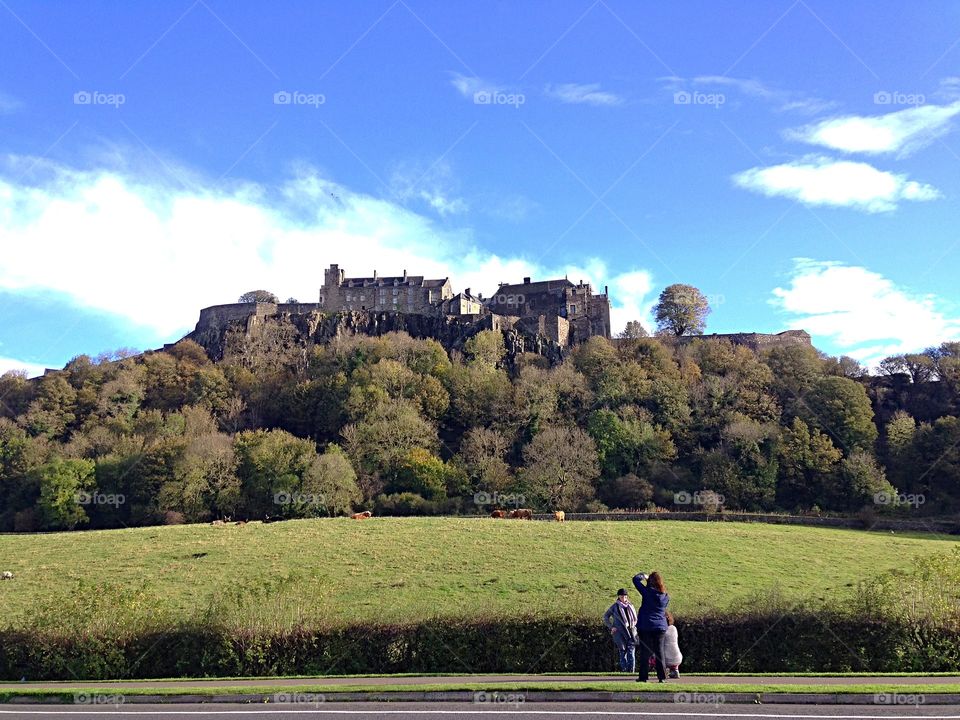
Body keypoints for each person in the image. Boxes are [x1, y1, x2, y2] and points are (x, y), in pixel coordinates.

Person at [632, 571, 669, 683]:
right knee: (660, 652)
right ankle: (662, 677)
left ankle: (643, 677)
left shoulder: (647, 592)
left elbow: (635, 580)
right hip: (660, 626)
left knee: (645, 652)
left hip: (646, 625)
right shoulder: (665, 597)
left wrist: (644, 576)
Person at [603, 588, 638, 672]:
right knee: (623, 651)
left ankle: (631, 671)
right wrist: (611, 627)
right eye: (622, 596)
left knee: (631, 650)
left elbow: (635, 618)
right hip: (619, 632)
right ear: (618, 596)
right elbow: (606, 616)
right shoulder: (615, 606)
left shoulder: (631, 606)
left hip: (631, 631)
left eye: (625, 596)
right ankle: (624, 670)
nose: (624, 598)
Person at [663, 610, 683, 678]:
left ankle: (665, 671)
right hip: (678, 657)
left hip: (666, 659)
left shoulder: (662, 630)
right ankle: (675, 670)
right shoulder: (674, 628)